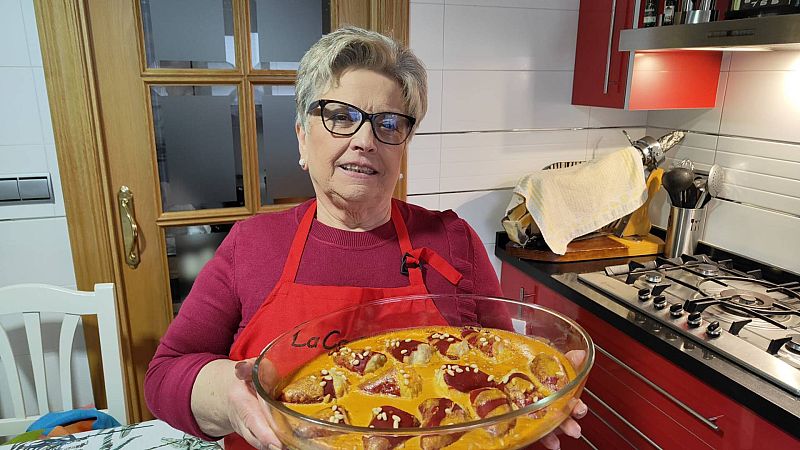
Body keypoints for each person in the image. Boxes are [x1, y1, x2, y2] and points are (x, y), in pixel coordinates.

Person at [144, 26, 586, 450]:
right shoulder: (252, 245)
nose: (364, 140)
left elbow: (500, 365)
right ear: (301, 136)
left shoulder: (452, 240)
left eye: (388, 124)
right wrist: (230, 400)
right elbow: (165, 376)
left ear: (403, 146)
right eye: (340, 117)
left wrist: (535, 405)